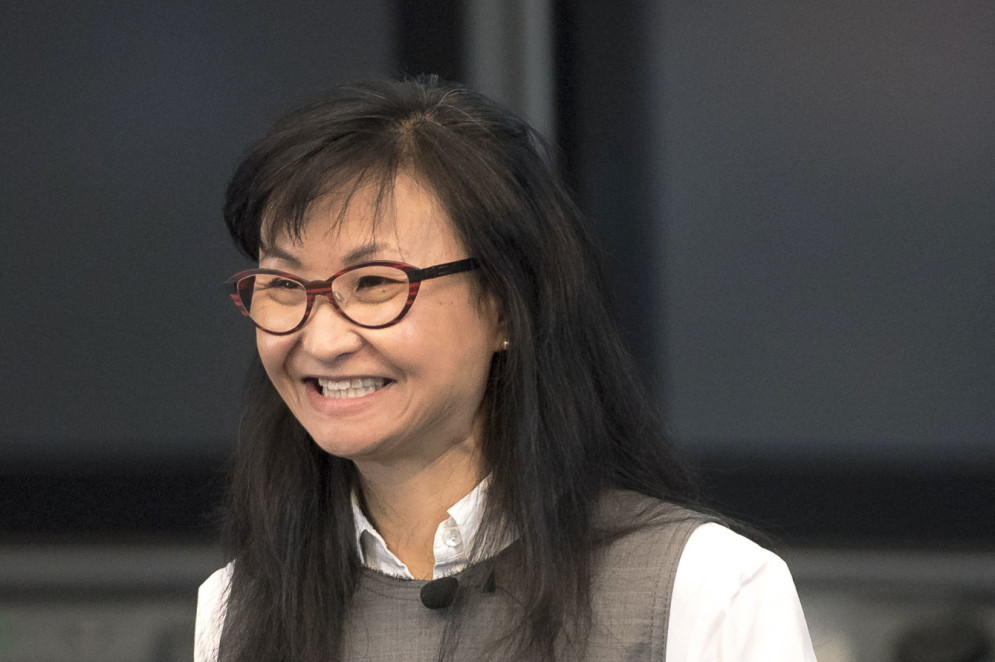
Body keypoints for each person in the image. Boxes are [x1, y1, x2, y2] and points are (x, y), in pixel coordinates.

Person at [195, 76, 817, 661]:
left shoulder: (706, 586)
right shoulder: (234, 607)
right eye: (282, 284)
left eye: (375, 283)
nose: (322, 339)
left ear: (506, 306)